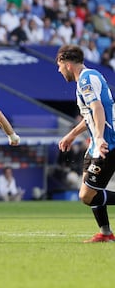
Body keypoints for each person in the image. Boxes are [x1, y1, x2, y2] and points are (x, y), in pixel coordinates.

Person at [56, 45, 115, 243]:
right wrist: (72, 134)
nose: (59, 70)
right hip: (96, 144)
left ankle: (106, 233)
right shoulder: (87, 78)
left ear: (67, 63)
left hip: (107, 142)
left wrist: (99, 137)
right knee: (88, 192)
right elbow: (89, 114)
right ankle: (106, 233)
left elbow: (98, 109)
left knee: (87, 195)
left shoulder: (86, 79)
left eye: (59, 66)